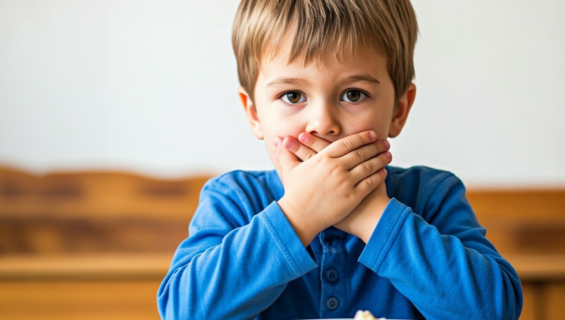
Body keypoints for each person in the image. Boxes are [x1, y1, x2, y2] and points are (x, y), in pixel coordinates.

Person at [157, 0, 523, 319]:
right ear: (254, 114)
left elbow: (493, 310)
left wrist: (371, 216)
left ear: (399, 110)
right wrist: (299, 215)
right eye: (292, 95)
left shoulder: (432, 195)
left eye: (353, 93)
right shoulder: (234, 199)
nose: (323, 124)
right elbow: (184, 311)